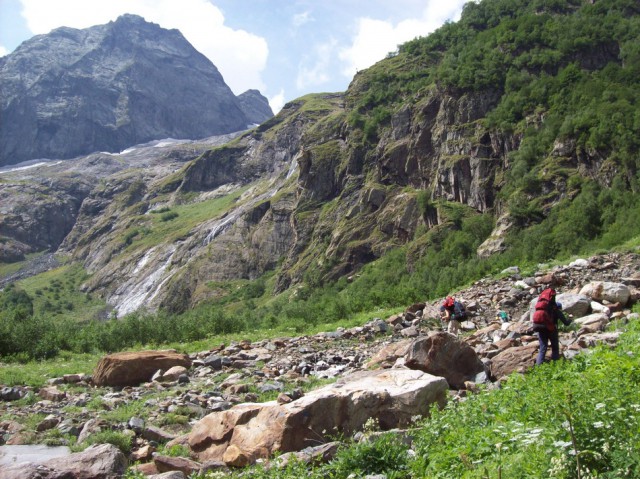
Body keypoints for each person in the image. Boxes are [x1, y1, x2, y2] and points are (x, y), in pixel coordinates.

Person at [532, 288, 571, 365]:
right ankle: (555, 365)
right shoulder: (556, 310)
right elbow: (566, 323)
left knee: (542, 348)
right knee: (555, 348)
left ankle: (538, 367)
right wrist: (570, 319)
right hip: (551, 330)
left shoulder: (543, 309)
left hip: (540, 328)